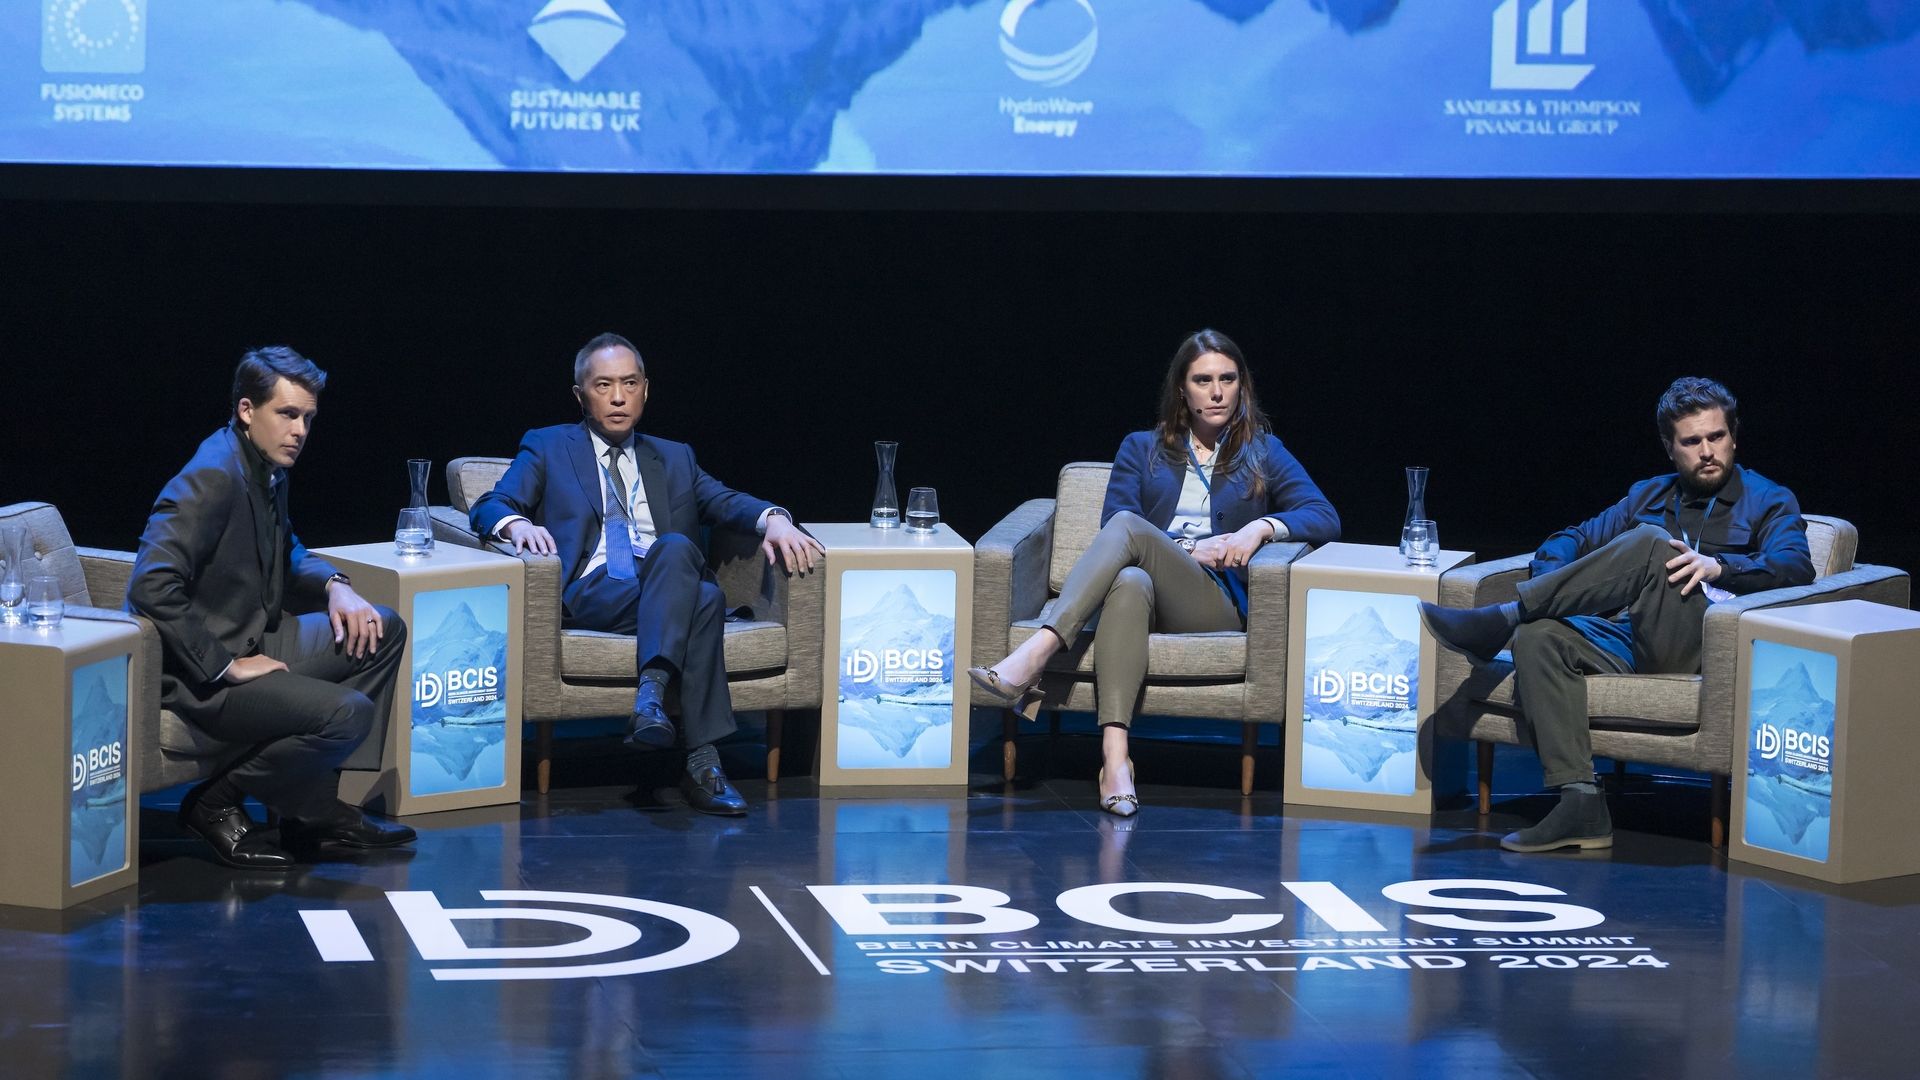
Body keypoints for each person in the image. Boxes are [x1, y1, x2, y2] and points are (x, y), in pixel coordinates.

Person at [1419, 376, 1812, 853]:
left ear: (1734, 436)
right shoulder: (1647, 495)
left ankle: (1504, 617)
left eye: (1717, 437)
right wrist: (1562, 587)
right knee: (1539, 636)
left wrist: (1721, 566)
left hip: (1704, 644)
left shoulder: (1769, 499)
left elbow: (1795, 567)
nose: (1707, 450)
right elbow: (1570, 539)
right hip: (1627, 637)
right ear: (1671, 448)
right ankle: (1580, 805)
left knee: (1650, 544)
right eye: (1692, 441)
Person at [967, 329, 1341, 816]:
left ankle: (1035, 653)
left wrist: (1262, 529)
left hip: (1212, 603)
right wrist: (1188, 547)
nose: (1216, 391)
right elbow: (1112, 533)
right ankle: (1116, 761)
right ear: (1182, 390)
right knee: (1129, 578)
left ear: (1241, 387)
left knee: (1130, 531)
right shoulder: (1141, 448)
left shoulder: (1263, 451)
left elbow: (1324, 515)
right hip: (1144, 593)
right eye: (1203, 380)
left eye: (1227, 379)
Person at [470, 332, 823, 816]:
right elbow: (491, 504)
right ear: (581, 395)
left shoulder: (674, 456)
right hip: (594, 590)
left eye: (629, 383)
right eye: (603, 385)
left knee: (678, 554)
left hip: (664, 581)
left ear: (645, 390)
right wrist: (518, 524)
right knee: (704, 600)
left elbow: (724, 500)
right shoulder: (549, 446)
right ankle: (702, 761)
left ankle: (651, 700)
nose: (618, 397)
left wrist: (775, 517)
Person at [128, 346, 415, 871]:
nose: (299, 430)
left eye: (307, 418)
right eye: (287, 414)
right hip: (202, 679)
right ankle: (213, 804)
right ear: (246, 410)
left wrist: (336, 586)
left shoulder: (264, 465)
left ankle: (310, 811)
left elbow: (286, 548)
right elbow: (150, 585)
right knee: (347, 712)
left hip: (254, 635)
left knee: (381, 627)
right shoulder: (211, 476)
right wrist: (225, 663)